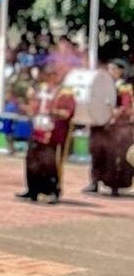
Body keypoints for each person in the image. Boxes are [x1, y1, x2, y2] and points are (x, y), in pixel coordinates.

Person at [17, 68, 76, 203]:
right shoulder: (41, 90)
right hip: (38, 128)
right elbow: (34, 107)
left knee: (50, 162)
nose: (48, 78)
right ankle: (32, 190)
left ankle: (53, 191)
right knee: (32, 160)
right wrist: (27, 105)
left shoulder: (65, 92)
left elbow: (68, 112)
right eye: (47, 75)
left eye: (51, 75)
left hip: (53, 132)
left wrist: (53, 112)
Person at [84, 58, 134, 196]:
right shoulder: (103, 85)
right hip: (101, 125)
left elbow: (126, 107)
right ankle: (94, 182)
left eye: (113, 69)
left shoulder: (124, 87)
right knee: (96, 153)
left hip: (116, 127)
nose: (109, 72)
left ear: (120, 71)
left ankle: (114, 185)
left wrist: (115, 115)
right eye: (109, 68)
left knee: (114, 156)